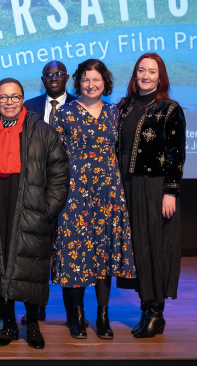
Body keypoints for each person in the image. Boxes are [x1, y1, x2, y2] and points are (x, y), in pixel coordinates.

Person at [0, 78, 70, 349]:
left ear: (23, 99)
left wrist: (48, 210)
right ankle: (8, 325)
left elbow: (60, 174)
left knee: (30, 268)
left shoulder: (42, 131)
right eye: (4, 97)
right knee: (1, 265)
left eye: (15, 97)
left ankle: (33, 326)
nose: (9, 102)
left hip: (32, 209)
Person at [52, 59, 136, 339]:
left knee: (104, 253)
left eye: (96, 79)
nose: (91, 84)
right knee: (73, 251)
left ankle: (103, 315)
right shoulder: (64, 112)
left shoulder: (115, 113)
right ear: (79, 83)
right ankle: (76, 315)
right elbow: (54, 157)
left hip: (108, 193)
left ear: (105, 83)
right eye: (86, 79)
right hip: (74, 193)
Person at [116, 53, 186, 338]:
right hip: (127, 186)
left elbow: (176, 154)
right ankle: (146, 307)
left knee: (155, 247)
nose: (145, 76)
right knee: (136, 248)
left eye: (151, 71)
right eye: (141, 71)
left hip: (155, 187)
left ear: (161, 77)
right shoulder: (124, 107)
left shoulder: (170, 110)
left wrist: (171, 191)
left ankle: (156, 313)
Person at [20, 60, 76, 324]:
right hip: (34, 189)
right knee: (37, 251)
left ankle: (72, 313)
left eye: (59, 74)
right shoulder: (28, 106)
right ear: (42, 79)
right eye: (48, 75)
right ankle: (36, 307)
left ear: (67, 78)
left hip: (73, 188)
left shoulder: (79, 105)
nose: (54, 78)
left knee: (68, 251)